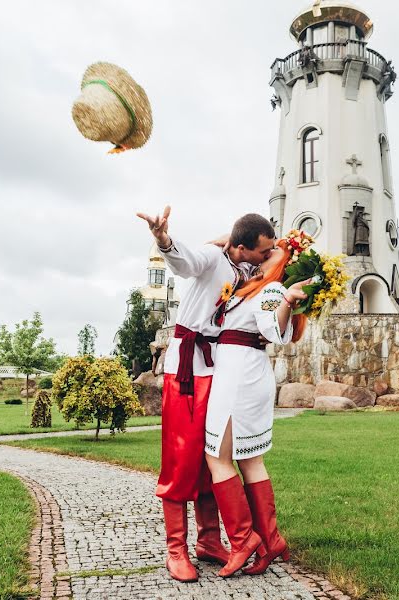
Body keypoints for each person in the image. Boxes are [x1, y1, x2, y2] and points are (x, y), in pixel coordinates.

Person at [136, 206, 276, 582]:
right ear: (243, 247)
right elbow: (186, 262)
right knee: (181, 459)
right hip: (186, 369)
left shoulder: (249, 270)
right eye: (263, 250)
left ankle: (210, 542)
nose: (268, 255)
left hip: (219, 368)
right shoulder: (214, 257)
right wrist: (163, 239)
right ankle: (176, 549)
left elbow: (280, 253)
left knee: (212, 455)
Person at [204, 237, 309, 577]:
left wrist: (288, 301)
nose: (260, 259)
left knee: (218, 457)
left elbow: (275, 331)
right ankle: (270, 540)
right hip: (237, 373)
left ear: (279, 263)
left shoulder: (271, 291)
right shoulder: (248, 288)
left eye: (269, 255)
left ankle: (243, 540)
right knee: (249, 460)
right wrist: (228, 240)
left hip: (241, 378)